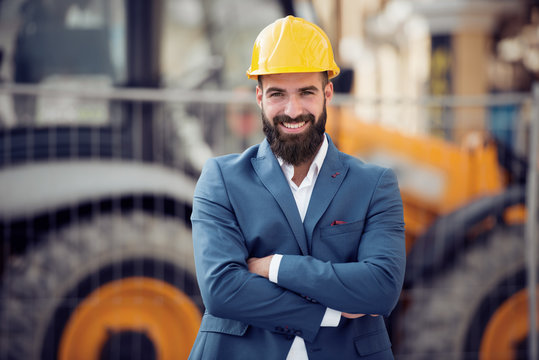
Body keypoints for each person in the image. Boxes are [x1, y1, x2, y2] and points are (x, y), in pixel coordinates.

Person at [189, 15, 405, 360]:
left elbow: (380, 289)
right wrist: (331, 311)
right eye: (277, 94)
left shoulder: (375, 184)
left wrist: (273, 266)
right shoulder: (221, 179)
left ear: (328, 93)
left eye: (306, 92)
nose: (293, 110)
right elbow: (222, 290)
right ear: (259, 96)